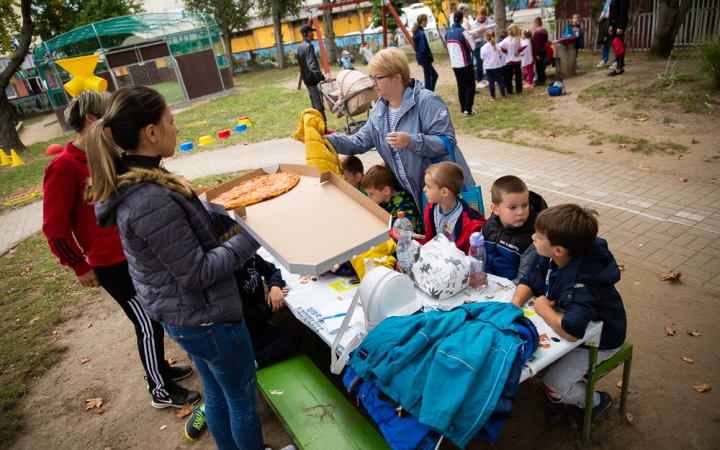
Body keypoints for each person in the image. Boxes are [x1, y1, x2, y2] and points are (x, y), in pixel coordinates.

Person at [87, 86, 266, 449]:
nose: (176, 128)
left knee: (217, 398)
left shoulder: (144, 181)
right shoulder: (150, 198)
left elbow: (183, 243)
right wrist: (256, 233)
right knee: (243, 403)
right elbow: (197, 272)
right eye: (170, 121)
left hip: (188, 318)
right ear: (151, 133)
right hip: (208, 320)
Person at [41, 90, 200, 409]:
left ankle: (162, 369)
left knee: (155, 314)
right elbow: (54, 227)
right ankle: (159, 388)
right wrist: (79, 266)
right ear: (91, 119)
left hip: (133, 254)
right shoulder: (63, 167)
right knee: (147, 322)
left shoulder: (110, 157)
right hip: (110, 263)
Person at [510, 204, 626, 428]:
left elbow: (573, 331)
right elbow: (530, 280)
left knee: (554, 386)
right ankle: (560, 395)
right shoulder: (550, 254)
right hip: (566, 324)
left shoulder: (584, 279)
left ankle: (595, 402)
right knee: (537, 362)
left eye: (539, 235)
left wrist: (543, 308)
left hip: (600, 340)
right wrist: (514, 305)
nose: (533, 237)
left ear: (559, 250)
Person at [325, 47, 476, 212]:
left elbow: (446, 142)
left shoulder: (427, 101)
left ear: (397, 78)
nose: (373, 83)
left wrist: (411, 141)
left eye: (378, 78)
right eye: (371, 77)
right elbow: (359, 142)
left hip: (445, 193)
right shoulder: (379, 111)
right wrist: (326, 140)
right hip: (416, 195)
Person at [185, 254, 302, 443]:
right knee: (234, 399)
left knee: (292, 338)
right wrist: (269, 308)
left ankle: (250, 364)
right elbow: (239, 314)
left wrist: (274, 287)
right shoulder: (223, 274)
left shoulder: (250, 257)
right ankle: (206, 409)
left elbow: (272, 270)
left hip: (256, 331)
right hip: (234, 334)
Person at [482, 175, 547, 285]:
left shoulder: (534, 237)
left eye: (525, 205)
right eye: (513, 207)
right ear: (495, 209)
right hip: (488, 283)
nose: (520, 212)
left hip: (512, 289)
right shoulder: (488, 226)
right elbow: (480, 257)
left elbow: (525, 279)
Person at [419, 161, 485, 253]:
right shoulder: (431, 208)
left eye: (428, 186)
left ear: (444, 192)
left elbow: (469, 255)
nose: (424, 189)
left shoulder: (469, 223)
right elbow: (429, 237)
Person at [362, 164, 423, 233]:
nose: (368, 197)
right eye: (367, 194)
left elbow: (404, 234)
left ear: (386, 190)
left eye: (371, 194)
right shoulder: (383, 200)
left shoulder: (405, 207)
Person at [298, 24, 332, 131]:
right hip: (313, 80)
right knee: (318, 106)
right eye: (312, 32)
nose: (313, 34)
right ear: (308, 33)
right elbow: (311, 65)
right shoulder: (308, 46)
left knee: (314, 104)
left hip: (307, 81)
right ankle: (323, 130)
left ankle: (317, 128)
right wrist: (322, 77)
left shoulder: (300, 47)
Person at [446, 10, 477, 116]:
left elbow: (447, 48)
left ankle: (463, 107)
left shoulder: (448, 33)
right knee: (469, 86)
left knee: (461, 86)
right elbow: (471, 47)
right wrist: (473, 43)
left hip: (454, 64)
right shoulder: (463, 32)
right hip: (465, 63)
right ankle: (468, 109)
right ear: (461, 20)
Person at [412, 14, 438, 92]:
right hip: (424, 58)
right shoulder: (420, 33)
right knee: (428, 77)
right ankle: (427, 94)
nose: (427, 22)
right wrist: (429, 55)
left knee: (434, 75)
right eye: (426, 21)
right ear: (423, 21)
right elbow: (423, 48)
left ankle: (430, 92)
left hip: (421, 58)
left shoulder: (416, 32)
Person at [470, 7, 494, 89]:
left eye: (482, 14)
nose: (480, 16)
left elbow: (493, 32)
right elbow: (470, 35)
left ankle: (489, 78)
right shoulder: (473, 24)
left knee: (488, 62)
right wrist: (474, 39)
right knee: (479, 63)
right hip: (478, 45)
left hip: (486, 44)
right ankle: (479, 81)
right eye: (479, 14)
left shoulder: (489, 22)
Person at [480, 30, 506, 101]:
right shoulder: (498, 46)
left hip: (488, 66)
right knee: (500, 80)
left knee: (491, 81)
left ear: (485, 38)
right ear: (494, 36)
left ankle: (492, 96)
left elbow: (482, 58)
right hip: (497, 65)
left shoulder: (483, 48)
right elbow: (500, 55)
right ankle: (503, 95)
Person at [500, 24, 526, 95]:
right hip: (509, 61)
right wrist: (506, 52)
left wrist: (519, 51)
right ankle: (509, 90)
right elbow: (500, 46)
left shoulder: (518, 39)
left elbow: (524, 45)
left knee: (518, 76)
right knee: (509, 77)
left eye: (510, 29)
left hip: (516, 60)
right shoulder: (507, 39)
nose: (509, 31)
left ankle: (518, 90)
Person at [608, 0, 629, 76]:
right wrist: (610, 25)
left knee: (618, 45)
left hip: (619, 24)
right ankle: (620, 64)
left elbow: (623, 12)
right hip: (614, 23)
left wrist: (620, 26)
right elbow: (612, 11)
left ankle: (619, 68)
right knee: (615, 44)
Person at [596, 0, 617, 68]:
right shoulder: (608, 0)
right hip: (606, 21)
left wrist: (611, 14)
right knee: (604, 40)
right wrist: (602, 13)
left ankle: (616, 61)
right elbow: (605, 8)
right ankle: (604, 59)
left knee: (614, 41)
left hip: (614, 21)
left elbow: (619, 10)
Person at [532, 17, 549, 86]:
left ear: (535, 25)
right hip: (544, 49)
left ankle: (541, 80)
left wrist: (536, 53)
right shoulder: (544, 31)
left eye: (532, 25)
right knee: (541, 66)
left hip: (540, 51)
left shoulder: (537, 33)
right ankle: (541, 79)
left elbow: (537, 44)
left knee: (539, 66)